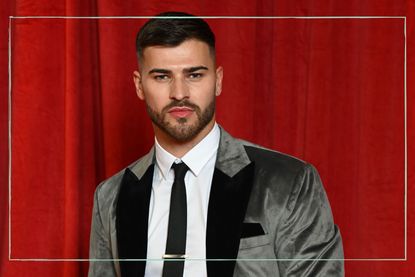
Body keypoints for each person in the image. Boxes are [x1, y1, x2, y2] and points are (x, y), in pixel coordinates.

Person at [88, 11, 344, 277]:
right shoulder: (110, 197)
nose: (179, 93)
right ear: (140, 85)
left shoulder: (290, 182)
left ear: (218, 80)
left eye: (195, 75)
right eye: (162, 76)